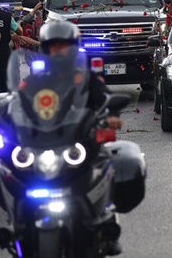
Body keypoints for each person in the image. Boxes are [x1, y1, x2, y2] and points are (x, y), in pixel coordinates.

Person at [34, 20, 122, 254]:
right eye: (54, 46)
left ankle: (107, 220)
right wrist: (1, 115)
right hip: (45, 142)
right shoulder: (37, 77)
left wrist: (111, 113)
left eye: (64, 45)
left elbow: (104, 96)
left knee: (105, 162)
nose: (58, 50)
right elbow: (17, 101)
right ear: (46, 48)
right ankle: (18, 223)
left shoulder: (85, 75)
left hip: (81, 138)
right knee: (12, 167)